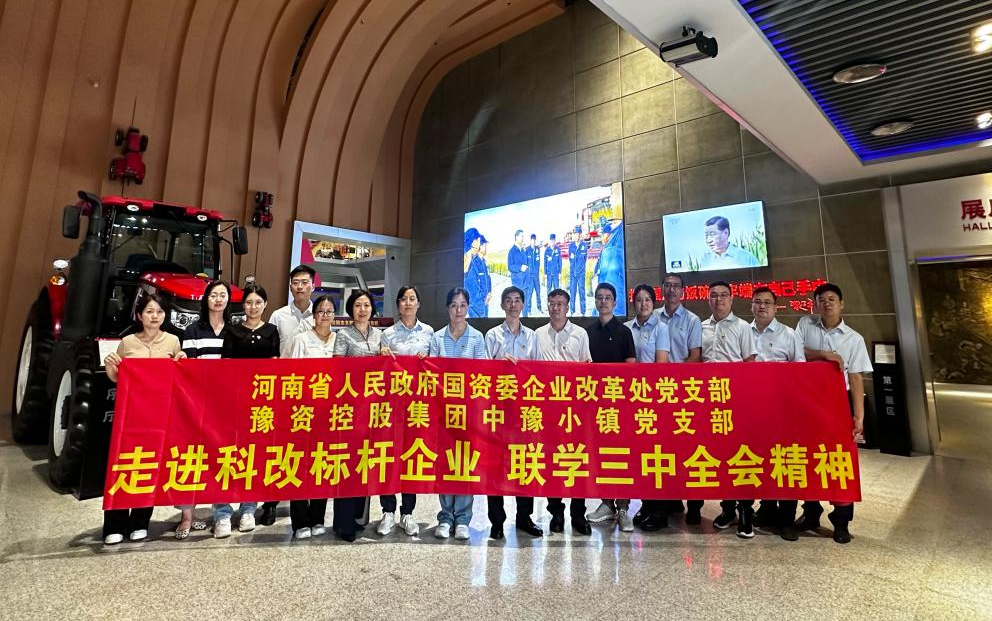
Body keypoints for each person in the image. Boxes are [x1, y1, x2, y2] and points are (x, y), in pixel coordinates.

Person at [102, 294, 186, 545]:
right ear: (139, 315)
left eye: (159, 312)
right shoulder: (128, 342)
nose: (154, 316)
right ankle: (114, 524)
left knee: (149, 465)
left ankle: (140, 522)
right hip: (130, 413)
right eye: (149, 311)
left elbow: (179, 377)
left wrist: (182, 361)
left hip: (159, 414)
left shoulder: (173, 341)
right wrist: (111, 366)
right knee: (123, 464)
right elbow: (118, 377)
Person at [794, 283, 872, 544]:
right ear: (815, 304)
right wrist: (824, 355)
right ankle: (811, 513)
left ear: (841, 304)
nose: (826, 303)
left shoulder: (853, 338)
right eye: (821, 299)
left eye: (831, 299)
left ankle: (841, 522)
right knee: (808, 459)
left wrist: (858, 416)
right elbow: (796, 352)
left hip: (838, 405)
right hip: (807, 404)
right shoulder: (805, 325)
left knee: (839, 461)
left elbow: (856, 378)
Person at [215, 284, 281, 538]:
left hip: (261, 405)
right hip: (234, 403)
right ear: (243, 306)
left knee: (254, 456)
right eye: (249, 302)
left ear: (265, 305)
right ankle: (222, 512)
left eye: (258, 302)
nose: (253, 307)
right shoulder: (232, 331)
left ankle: (248, 509)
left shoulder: (272, 331)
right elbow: (225, 367)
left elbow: (275, 367)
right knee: (226, 454)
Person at [484, 286, 544, 540]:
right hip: (497, 410)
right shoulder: (492, 335)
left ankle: (524, 517)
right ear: (502, 305)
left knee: (525, 462)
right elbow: (482, 373)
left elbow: (539, 371)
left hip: (525, 411)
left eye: (517, 300)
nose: (512, 305)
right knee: (495, 465)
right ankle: (496, 521)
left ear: (523, 305)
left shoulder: (532, 336)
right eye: (508, 301)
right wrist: (500, 367)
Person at [174, 279, 232, 539]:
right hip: (197, 404)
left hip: (225, 406)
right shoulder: (193, 330)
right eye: (213, 295)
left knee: (222, 458)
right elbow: (191, 368)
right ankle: (187, 516)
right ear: (206, 299)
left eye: (222, 295)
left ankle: (221, 513)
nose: (218, 300)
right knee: (191, 458)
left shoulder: (234, 331)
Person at [428, 286, 487, 540]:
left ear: (468, 308)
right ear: (447, 308)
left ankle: (463, 518)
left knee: (465, 463)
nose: (458, 310)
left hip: (468, 413)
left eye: (462, 305)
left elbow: (482, 375)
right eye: (454, 305)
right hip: (443, 412)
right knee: (445, 462)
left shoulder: (477, 338)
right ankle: (445, 517)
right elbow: (431, 373)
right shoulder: (437, 338)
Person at [748, 286, 805, 541]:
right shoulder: (744, 332)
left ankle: (787, 518)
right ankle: (767, 509)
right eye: (757, 302)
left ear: (775, 307)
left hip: (783, 410)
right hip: (753, 409)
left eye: (767, 303)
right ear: (751, 305)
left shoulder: (789, 335)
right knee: (761, 460)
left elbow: (800, 372)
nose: (762, 306)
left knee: (785, 460)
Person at [701, 281, 757, 538]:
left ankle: (745, 510)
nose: (719, 300)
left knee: (741, 454)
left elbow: (750, 364)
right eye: (714, 296)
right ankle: (727, 509)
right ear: (708, 299)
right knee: (719, 455)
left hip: (736, 401)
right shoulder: (702, 327)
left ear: (732, 299)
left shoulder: (743, 327)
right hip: (708, 401)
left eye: (724, 295)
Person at [535, 288, 593, 536]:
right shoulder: (538, 335)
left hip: (575, 409)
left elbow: (587, 368)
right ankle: (556, 513)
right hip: (548, 409)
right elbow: (531, 369)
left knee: (577, 458)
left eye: (560, 303)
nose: (556, 307)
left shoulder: (580, 334)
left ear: (568, 307)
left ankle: (578, 514)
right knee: (551, 461)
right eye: (552, 303)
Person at [377, 285, 433, 537]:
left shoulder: (429, 333)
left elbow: (436, 367)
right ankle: (387, 510)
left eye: (412, 299)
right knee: (388, 456)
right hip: (391, 405)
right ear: (398, 304)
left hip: (418, 406)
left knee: (412, 455)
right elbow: (381, 370)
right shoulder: (387, 334)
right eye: (403, 299)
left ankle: (407, 512)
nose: (408, 303)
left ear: (418, 303)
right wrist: (382, 355)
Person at [262, 264, 316, 525]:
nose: (300, 286)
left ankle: (306, 501)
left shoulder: (321, 314)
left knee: (308, 448)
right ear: (290, 285)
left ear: (313, 286)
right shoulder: (278, 316)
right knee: (277, 447)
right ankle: (270, 502)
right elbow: (271, 352)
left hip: (313, 392)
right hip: (283, 390)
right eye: (296, 282)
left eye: (305, 282)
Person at [332, 289, 385, 542]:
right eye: (357, 305)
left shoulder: (380, 336)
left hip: (373, 409)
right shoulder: (343, 335)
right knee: (347, 463)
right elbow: (338, 368)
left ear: (372, 309)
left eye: (366, 305)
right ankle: (344, 523)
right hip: (350, 408)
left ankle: (359, 518)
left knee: (365, 462)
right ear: (351, 309)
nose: (362, 310)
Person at [584, 283, 637, 531]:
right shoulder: (587, 332)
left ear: (615, 302)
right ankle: (606, 503)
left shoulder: (624, 332)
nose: (603, 301)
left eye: (608, 297)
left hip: (620, 404)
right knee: (601, 454)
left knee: (622, 454)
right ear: (595, 301)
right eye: (599, 297)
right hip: (595, 405)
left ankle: (624, 507)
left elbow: (630, 365)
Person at [286, 295, 337, 540]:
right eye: (321, 311)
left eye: (329, 311)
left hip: (329, 414)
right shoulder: (301, 340)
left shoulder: (339, 341)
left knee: (322, 464)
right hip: (303, 412)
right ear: (314, 315)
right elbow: (291, 375)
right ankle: (300, 521)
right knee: (298, 464)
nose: (325, 315)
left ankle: (317, 518)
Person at [654, 273, 704, 523]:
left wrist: (673, 376)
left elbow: (695, 356)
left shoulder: (693, 320)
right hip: (658, 393)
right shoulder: (653, 317)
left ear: (683, 291)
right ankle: (670, 499)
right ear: (662, 289)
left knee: (689, 447)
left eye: (676, 286)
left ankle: (694, 504)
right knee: (664, 447)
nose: (671, 290)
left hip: (685, 391)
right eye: (667, 286)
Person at [624, 284, 671, 532]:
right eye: (639, 300)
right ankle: (646, 504)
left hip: (654, 400)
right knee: (639, 455)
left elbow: (661, 364)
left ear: (654, 303)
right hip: (631, 401)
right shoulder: (626, 328)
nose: (643, 304)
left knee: (656, 454)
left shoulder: (661, 328)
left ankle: (660, 510)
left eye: (648, 300)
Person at [593, 224, 626, 316]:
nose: (602, 238)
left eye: (603, 234)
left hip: (613, 296)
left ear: (609, 234)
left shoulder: (613, 248)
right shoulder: (606, 248)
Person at [567, 230, 589, 315]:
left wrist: (581, 269)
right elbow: (570, 259)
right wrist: (573, 269)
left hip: (581, 274)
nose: (576, 236)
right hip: (573, 274)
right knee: (572, 293)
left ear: (580, 235)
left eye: (578, 234)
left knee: (582, 292)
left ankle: (583, 312)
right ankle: (572, 311)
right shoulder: (571, 246)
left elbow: (585, 259)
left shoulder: (584, 245)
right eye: (575, 234)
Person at [523, 234, 542, 316]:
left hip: (536, 275)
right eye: (532, 239)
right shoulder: (527, 250)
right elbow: (525, 263)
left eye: (534, 239)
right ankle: (529, 309)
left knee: (538, 292)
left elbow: (538, 261)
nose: (533, 241)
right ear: (530, 240)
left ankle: (539, 308)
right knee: (529, 293)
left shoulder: (537, 249)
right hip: (530, 276)